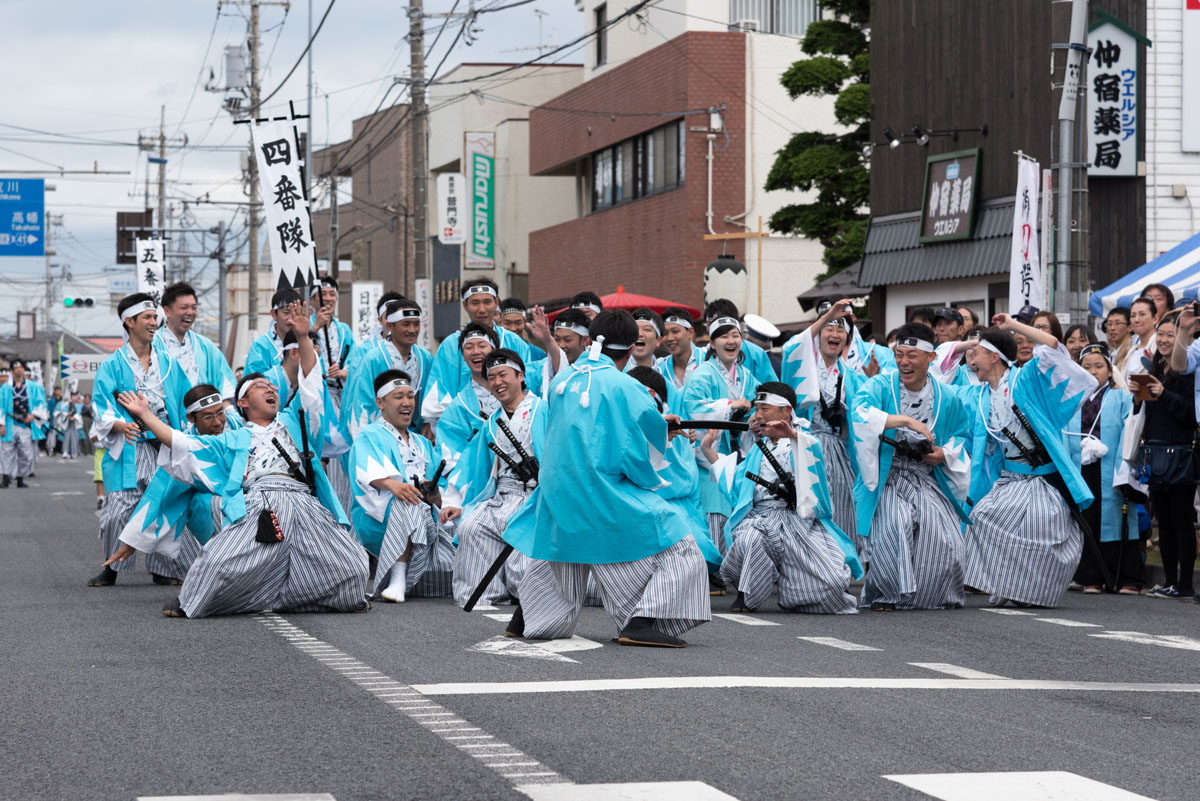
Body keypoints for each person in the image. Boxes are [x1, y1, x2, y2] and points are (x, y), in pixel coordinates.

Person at [119, 302, 369, 618]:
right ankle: (193, 600)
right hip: (259, 505)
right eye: (260, 387)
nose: (269, 389)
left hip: (303, 502)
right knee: (218, 564)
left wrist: (304, 338)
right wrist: (144, 415)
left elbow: (310, 386)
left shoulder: (297, 421)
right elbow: (182, 442)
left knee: (353, 567)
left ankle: (296, 596)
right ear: (242, 402)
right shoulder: (233, 439)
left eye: (271, 386)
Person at [502, 310, 710, 647]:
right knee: (678, 541)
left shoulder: (561, 382)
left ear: (589, 341)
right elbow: (636, 452)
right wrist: (662, 432)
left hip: (558, 484)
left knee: (563, 546)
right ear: (631, 349)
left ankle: (528, 612)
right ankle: (641, 620)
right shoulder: (627, 386)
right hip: (601, 489)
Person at [962, 316, 1097, 608]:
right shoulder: (981, 394)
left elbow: (1052, 346)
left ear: (994, 356)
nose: (972, 359)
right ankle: (1009, 583)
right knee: (980, 518)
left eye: (978, 353)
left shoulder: (1025, 378)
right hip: (1010, 477)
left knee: (1041, 528)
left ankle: (1034, 592)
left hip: (1040, 477)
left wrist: (1013, 324)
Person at [705, 382, 861, 614]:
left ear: (786, 411)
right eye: (756, 409)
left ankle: (796, 593)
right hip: (760, 517)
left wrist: (794, 436)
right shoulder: (759, 448)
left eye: (764, 409)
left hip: (798, 519)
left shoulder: (806, 441)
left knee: (832, 584)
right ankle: (746, 592)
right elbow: (736, 480)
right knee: (749, 537)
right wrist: (708, 448)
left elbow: (816, 479)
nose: (757, 415)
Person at [850, 322, 972, 610]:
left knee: (943, 535)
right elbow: (859, 411)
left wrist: (943, 453)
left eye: (912, 355)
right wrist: (904, 420)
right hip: (887, 473)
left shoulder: (948, 397)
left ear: (931, 358)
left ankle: (929, 596)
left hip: (924, 474)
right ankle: (885, 594)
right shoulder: (880, 385)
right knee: (894, 523)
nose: (903, 362)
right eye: (899, 354)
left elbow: (960, 434)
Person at [88, 294, 193, 586]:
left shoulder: (169, 364)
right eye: (146, 318)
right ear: (129, 321)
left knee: (165, 501)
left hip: (163, 441)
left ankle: (163, 567)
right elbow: (100, 403)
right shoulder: (113, 364)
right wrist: (119, 425)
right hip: (130, 443)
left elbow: (183, 400)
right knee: (119, 506)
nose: (153, 322)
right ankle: (112, 567)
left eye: (154, 317)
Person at [442, 349, 545, 607]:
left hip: (537, 497)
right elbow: (471, 465)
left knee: (524, 563)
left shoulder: (543, 410)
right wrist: (454, 501)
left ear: (521, 375)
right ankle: (485, 594)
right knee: (471, 527)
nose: (497, 382)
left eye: (503, 375)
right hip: (501, 496)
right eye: (491, 378)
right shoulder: (490, 424)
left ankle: (529, 596)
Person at [103, 384, 232, 585]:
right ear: (191, 419)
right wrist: (134, 540)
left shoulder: (240, 428)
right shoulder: (184, 447)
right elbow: (161, 495)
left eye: (220, 413)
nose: (218, 422)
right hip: (220, 505)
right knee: (203, 503)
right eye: (208, 417)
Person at [348, 369, 450, 603]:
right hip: (383, 519)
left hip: (425, 519)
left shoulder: (423, 443)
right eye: (398, 397)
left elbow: (442, 488)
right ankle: (397, 579)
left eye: (410, 396)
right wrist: (394, 485)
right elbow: (365, 471)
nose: (407, 403)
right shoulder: (370, 435)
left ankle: (410, 576)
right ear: (380, 403)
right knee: (409, 500)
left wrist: (435, 495)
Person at [781, 299, 863, 550]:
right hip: (803, 444)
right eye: (829, 328)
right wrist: (826, 316)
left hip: (836, 447)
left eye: (841, 330)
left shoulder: (853, 377)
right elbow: (791, 347)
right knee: (806, 506)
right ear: (818, 335)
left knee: (840, 505)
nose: (835, 334)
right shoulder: (805, 366)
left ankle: (840, 566)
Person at [1065, 343, 1142, 594]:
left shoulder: (1121, 396)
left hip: (1111, 465)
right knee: (1087, 519)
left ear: (1110, 371)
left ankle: (1127, 576)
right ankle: (1091, 577)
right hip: (1082, 465)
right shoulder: (1074, 398)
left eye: (1099, 366)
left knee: (1117, 519)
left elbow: (1128, 432)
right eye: (1087, 367)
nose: (1093, 371)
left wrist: (1123, 466)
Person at [681, 313, 761, 554]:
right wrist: (729, 405)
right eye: (724, 336)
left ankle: (732, 563)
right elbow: (693, 405)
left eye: (735, 336)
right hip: (710, 453)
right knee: (714, 511)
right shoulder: (703, 374)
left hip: (739, 454)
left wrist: (756, 417)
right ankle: (715, 564)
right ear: (712, 343)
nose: (731, 341)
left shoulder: (747, 376)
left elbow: (756, 404)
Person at [422, 279, 540, 428]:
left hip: (514, 424)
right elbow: (441, 389)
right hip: (466, 425)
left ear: (497, 302)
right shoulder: (451, 344)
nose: (482, 309)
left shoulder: (515, 342)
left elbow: (528, 382)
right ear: (465, 305)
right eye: (475, 303)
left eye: (487, 302)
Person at [1140, 311, 1197, 600]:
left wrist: (1163, 393)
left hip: (1182, 452)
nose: (1163, 340)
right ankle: (1170, 581)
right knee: (1162, 518)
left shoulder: (1188, 369)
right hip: (1156, 451)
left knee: (1182, 519)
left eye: (1170, 335)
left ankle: (1185, 584)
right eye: (1160, 334)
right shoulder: (1155, 365)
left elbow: (1191, 414)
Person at [342, 298, 433, 438]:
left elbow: (431, 396)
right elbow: (361, 404)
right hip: (380, 435)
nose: (412, 330)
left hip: (415, 436)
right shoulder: (374, 358)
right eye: (406, 324)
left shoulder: (425, 358)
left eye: (416, 324)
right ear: (390, 326)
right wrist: (363, 441)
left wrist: (428, 422)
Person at [434, 323, 501, 473]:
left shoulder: (515, 388)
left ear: (494, 350)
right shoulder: (458, 406)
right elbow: (450, 454)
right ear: (463, 356)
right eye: (469, 347)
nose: (475, 352)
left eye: (482, 346)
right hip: (477, 478)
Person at [156, 282, 237, 401]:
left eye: (194, 307)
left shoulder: (206, 346)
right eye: (184, 307)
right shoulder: (151, 344)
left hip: (201, 416)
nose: (190, 312)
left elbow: (223, 383)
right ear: (167, 311)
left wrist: (227, 410)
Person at [703, 299, 778, 384]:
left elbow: (771, 389)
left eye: (717, 323)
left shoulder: (755, 353)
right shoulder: (700, 354)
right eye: (709, 324)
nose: (713, 328)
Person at [0, 359, 48, 487]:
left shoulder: (33, 387)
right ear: (12, 371)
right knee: (6, 452)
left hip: (26, 425)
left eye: (21, 367)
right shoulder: (5, 388)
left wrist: (33, 416)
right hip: (10, 423)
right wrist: (2, 424)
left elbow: (41, 403)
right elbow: (1, 406)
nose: (19, 369)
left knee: (26, 454)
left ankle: (20, 479)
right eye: (16, 368)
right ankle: (5, 478)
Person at [309, 276, 354, 408]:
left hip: (341, 395)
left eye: (332, 294)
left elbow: (354, 358)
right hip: (314, 394)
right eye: (323, 294)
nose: (328, 298)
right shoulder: (305, 325)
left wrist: (344, 372)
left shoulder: (344, 330)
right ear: (312, 300)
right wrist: (315, 327)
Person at [243, 288, 303, 376]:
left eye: (296, 313)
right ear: (274, 314)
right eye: (286, 312)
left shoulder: (306, 342)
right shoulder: (260, 346)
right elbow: (257, 384)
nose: (291, 318)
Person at [657, 307, 702, 403]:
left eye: (675, 331)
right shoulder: (659, 368)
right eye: (665, 333)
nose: (670, 338)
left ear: (690, 332)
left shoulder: (708, 359)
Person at [1125, 297, 1158, 377]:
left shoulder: (1160, 346)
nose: (1136, 320)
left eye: (1142, 314)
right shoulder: (1132, 350)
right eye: (1133, 316)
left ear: (1155, 319)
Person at [1104, 307, 1133, 379]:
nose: (1112, 328)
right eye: (1109, 324)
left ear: (1129, 327)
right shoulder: (1112, 353)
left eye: (1117, 323)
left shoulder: (1131, 352)